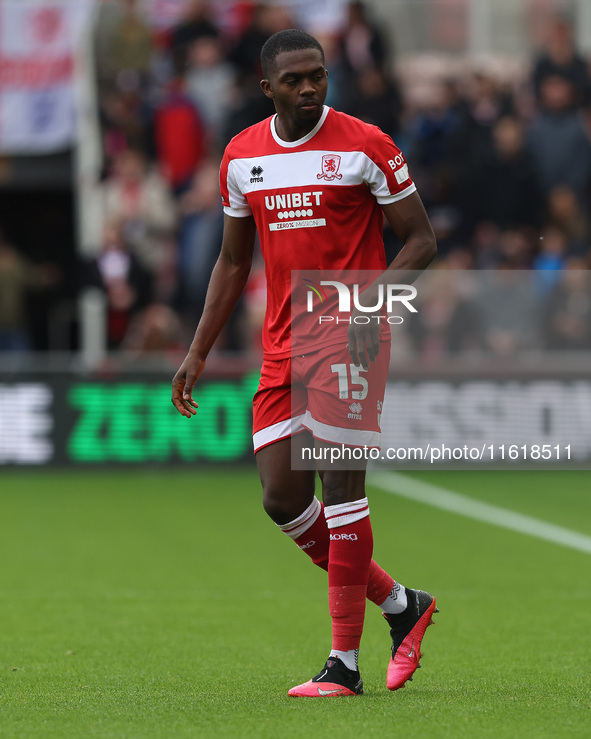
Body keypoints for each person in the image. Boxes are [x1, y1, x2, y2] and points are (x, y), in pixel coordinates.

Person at [171, 29, 437, 698]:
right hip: (283, 342)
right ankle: (401, 604)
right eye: (294, 79)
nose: (309, 87)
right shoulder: (241, 156)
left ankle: (341, 664)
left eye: (316, 74)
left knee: (342, 493)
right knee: (283, 499)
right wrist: (198, 350)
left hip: (349, 340)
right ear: (268, 88)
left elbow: (421, 241)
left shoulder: (365, 144)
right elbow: (233, 261)